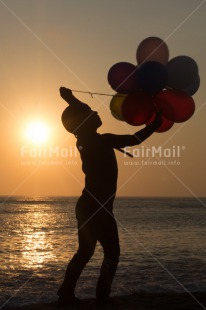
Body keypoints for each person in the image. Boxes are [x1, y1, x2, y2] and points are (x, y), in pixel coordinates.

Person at [57, 87, 162, 306]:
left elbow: (83, 112)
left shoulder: (86, 140)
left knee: (86, 252)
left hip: (88, 205)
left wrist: (71, 99)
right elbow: (135, 139)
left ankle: (67, 293)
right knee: (112, 253)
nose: (97, 113)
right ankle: (101, 298)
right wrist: (154, 124)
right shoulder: (101, 140)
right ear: (84, 122)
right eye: (92, 114)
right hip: (97, 207)